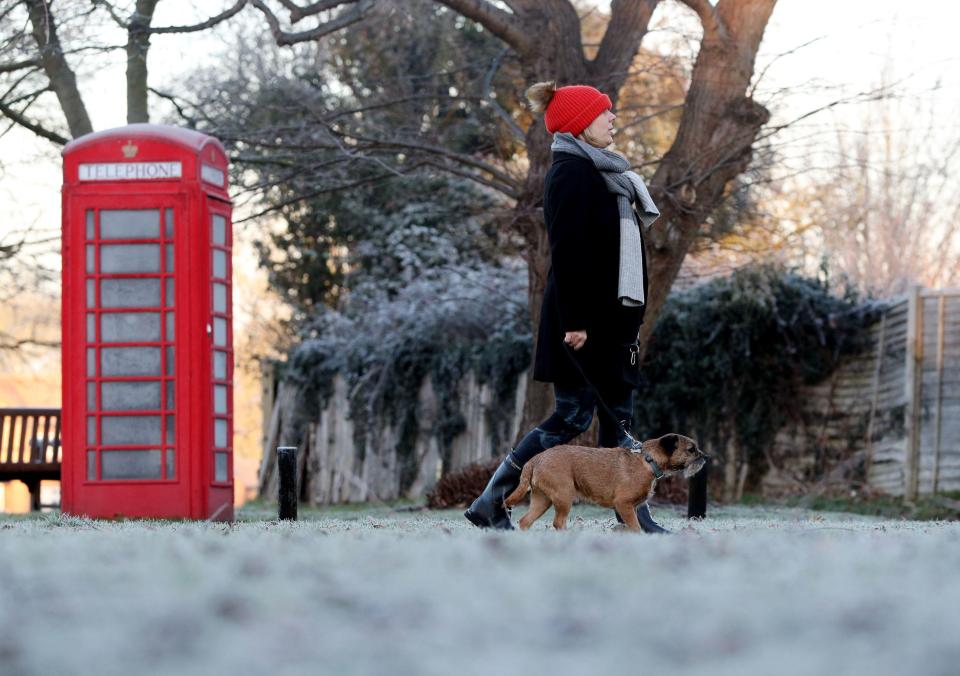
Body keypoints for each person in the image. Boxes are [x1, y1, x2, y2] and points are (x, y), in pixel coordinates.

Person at [464, 81, 669, 533]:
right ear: (580, 124)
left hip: (611, 323)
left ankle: (631, 512)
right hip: (583, 325)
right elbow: (568, 252)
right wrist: (576, 321)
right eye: (604, 113)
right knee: (573, 415)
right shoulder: (570, 175)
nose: (613, 118)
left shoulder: (604, 174)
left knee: (621, 415)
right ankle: (491, 501)